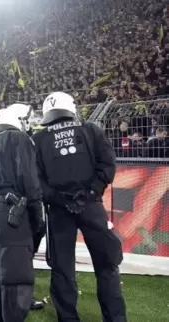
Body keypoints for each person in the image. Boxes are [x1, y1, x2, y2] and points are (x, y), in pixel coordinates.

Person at [32, 92, 127, 321]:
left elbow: (35, 179)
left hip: (58, 211)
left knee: (62, 269)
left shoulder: (39, 139)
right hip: (91, 206)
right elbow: (107, 163)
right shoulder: (90, 129)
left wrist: (59, 199)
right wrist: (91, 192)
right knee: (107, 265)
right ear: (70, 108)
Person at [0, 105, 45, 322]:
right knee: (15, 271)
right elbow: (29, 179)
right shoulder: (16, 138)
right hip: (10, 209)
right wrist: (36, 213)